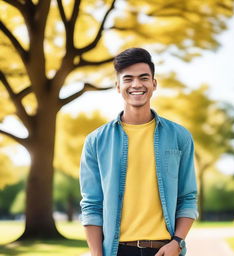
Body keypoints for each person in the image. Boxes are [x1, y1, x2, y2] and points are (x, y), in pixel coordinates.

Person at [79, 48, 198, 256]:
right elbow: (92, 205)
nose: (136, 85)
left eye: (144, 78)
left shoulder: (180, 136)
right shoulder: (96, 141)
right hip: (117, 251)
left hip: (165, 250)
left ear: (154, 83)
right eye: (128, 79)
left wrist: (177, 242)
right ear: (118, 86)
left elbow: (187, 197)